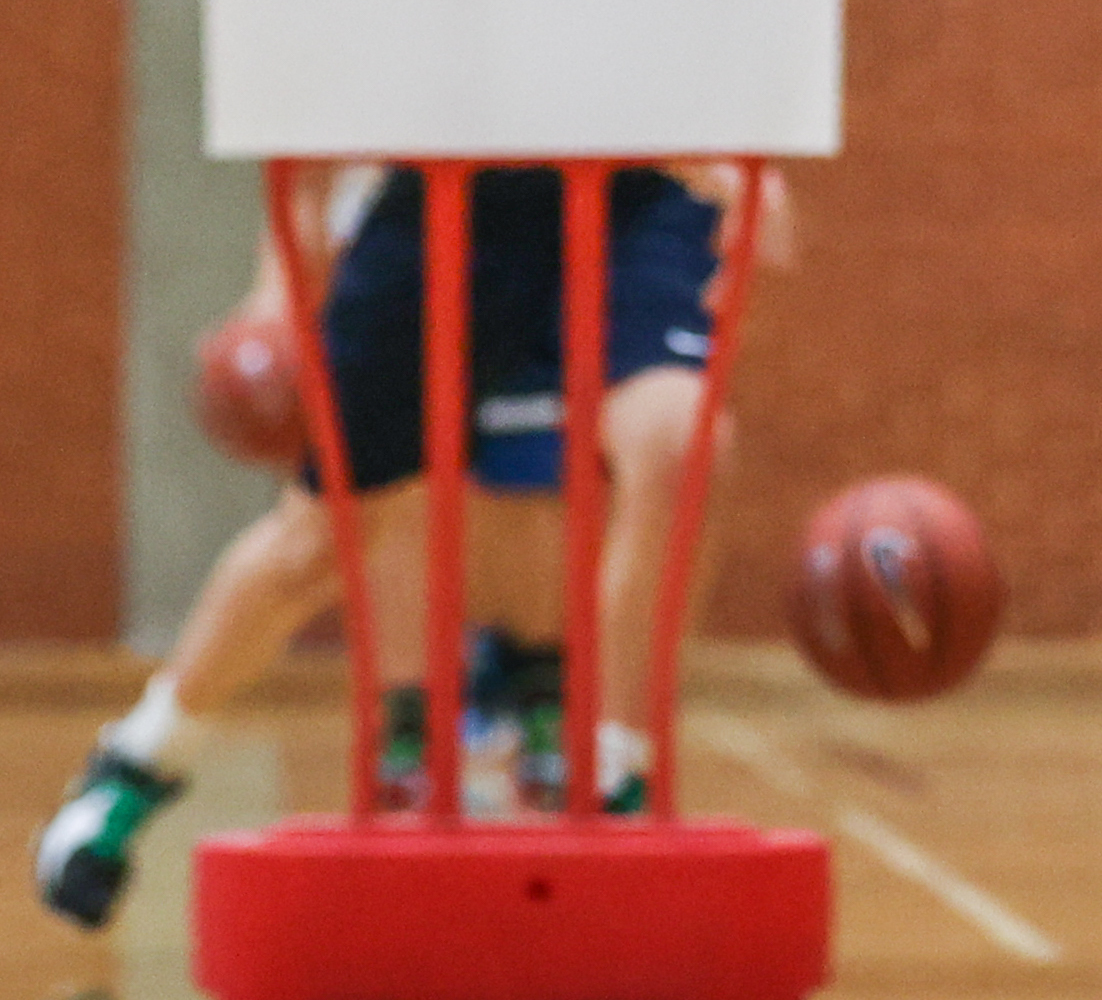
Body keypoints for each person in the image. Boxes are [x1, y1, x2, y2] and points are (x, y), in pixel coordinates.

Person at [33, 161, 770, 928]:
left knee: (680, 444)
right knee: (320, 540)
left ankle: (614, 774)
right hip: (450, 197)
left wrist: (740, 167)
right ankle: (136, 764)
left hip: (636, 199)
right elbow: (309, 163)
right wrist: (276, 294)